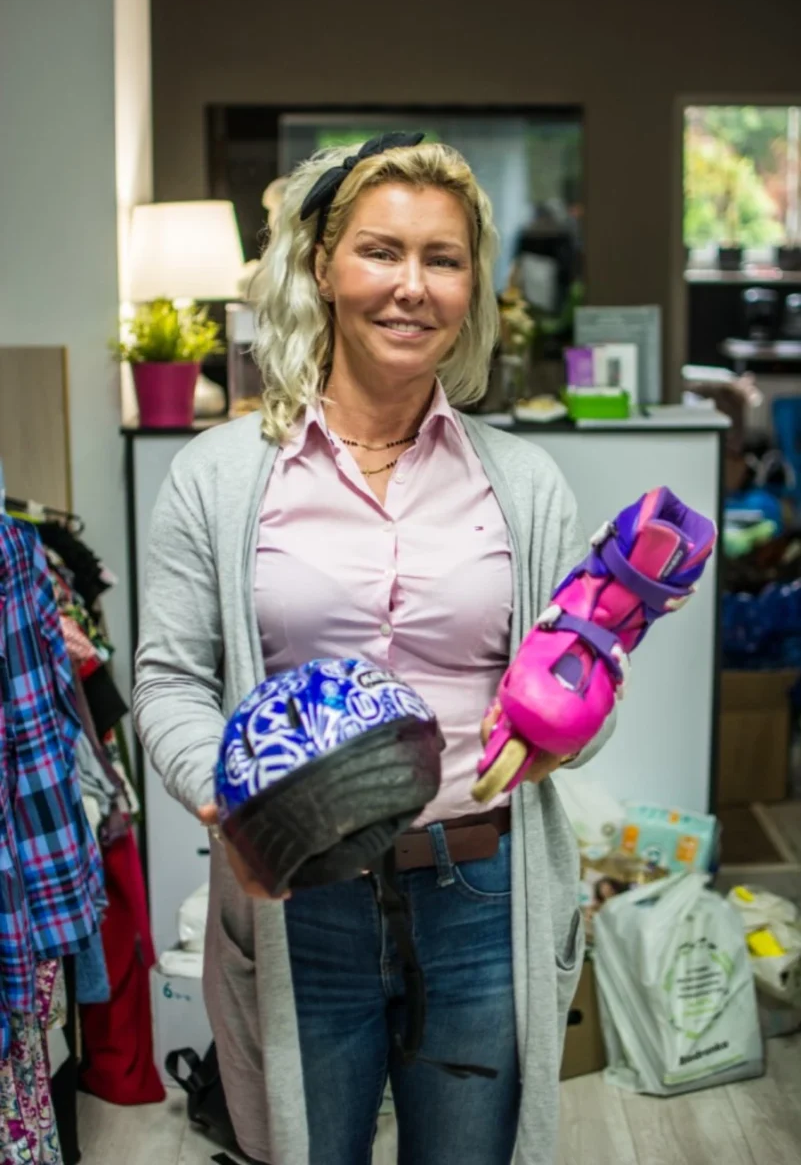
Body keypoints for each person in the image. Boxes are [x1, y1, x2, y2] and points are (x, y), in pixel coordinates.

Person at [133, 133, 614, 1165]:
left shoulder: (524, 483)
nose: (411, 286)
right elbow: (168, 682)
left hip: (482, 898)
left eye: (442, 259)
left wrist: (575, 715)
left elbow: (579, 684)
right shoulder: (219, 477)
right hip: (298, 906)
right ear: (323, 267)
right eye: (380, 251)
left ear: (471, 287)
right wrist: (231, 803)